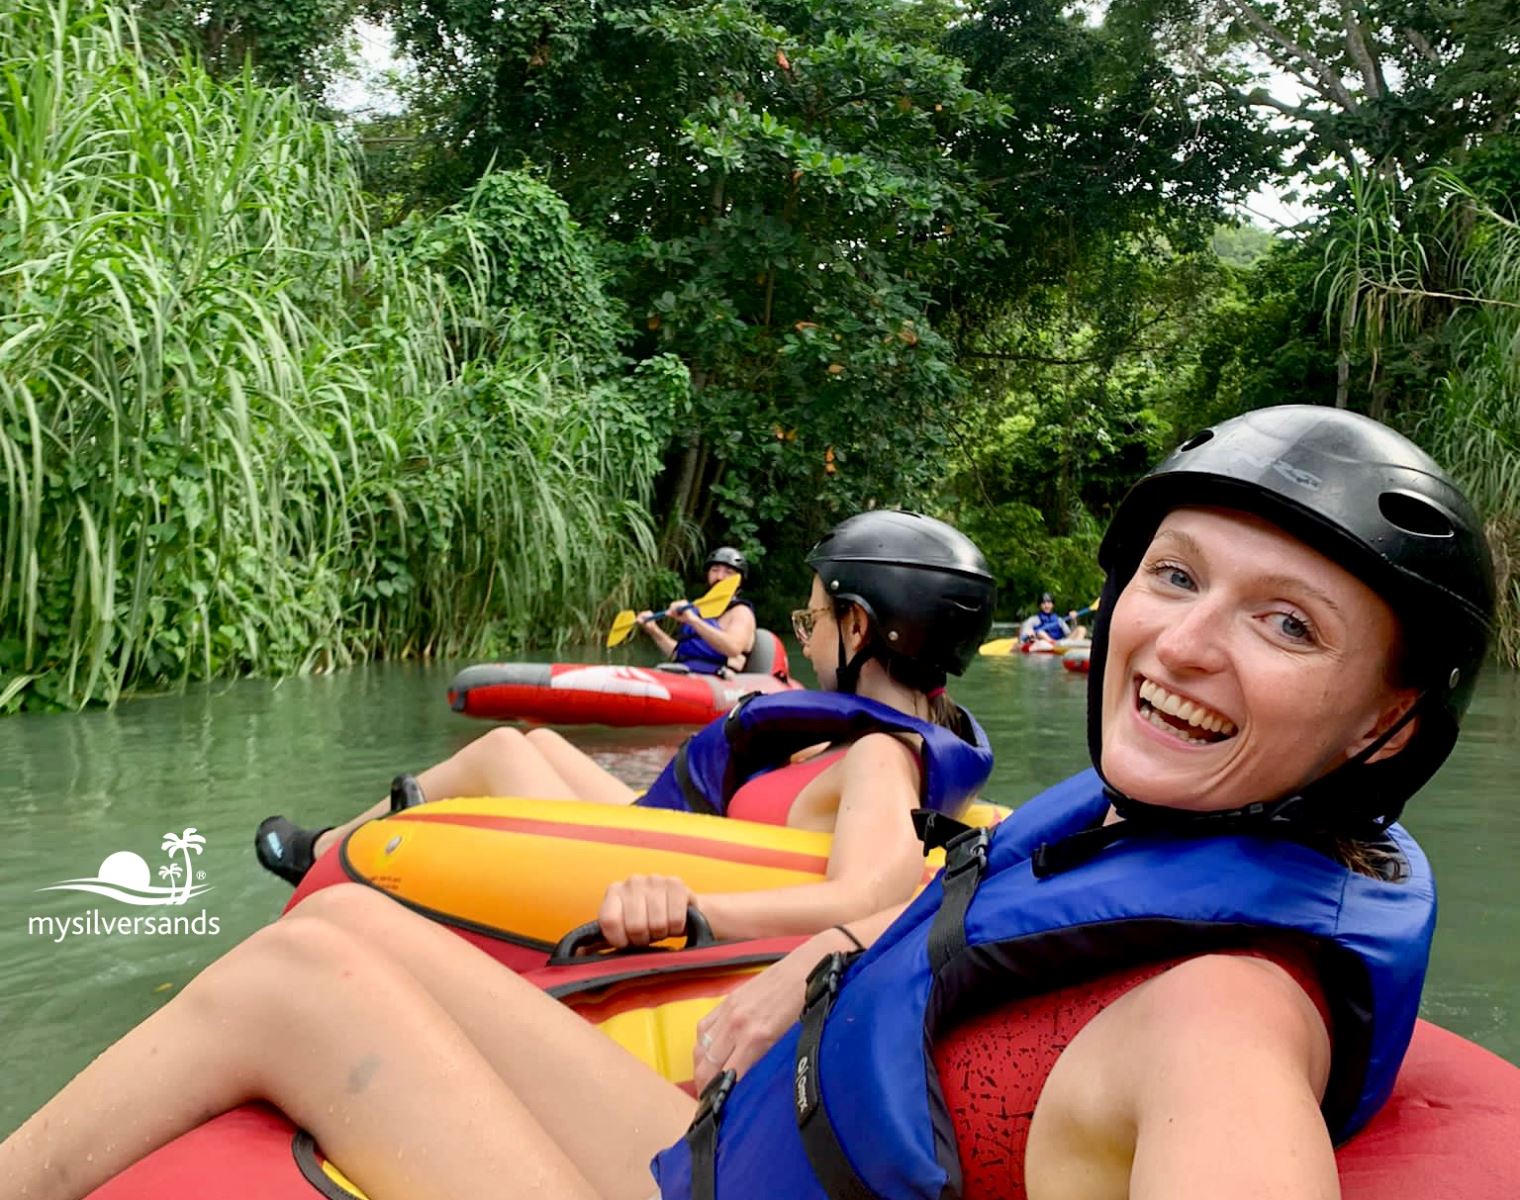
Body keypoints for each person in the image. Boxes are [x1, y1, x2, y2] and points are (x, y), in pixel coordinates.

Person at [5, 407, 1495, 1200]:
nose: (1181, 641)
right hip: (737, 1149)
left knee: (287, 985)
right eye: (1173, 579)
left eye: (1287, 624)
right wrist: (821, 958)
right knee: (325, 954)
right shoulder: (1135, 833)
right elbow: (939, 922)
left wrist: (719, 907)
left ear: (1391, 720)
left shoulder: (1231, 1017)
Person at [254, 512, 997, 951]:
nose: (802, 640)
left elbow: (866, 899)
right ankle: (328, 847)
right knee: (539, 741)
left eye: (813, 620)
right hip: (671, 828)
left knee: (505, 751)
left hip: (669, 869)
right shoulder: (866, 736)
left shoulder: (879, 758)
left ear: (861, 626)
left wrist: (696, 913)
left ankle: (325, 856)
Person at [637, 546, 758, 675]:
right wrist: (654, 631)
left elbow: (733, 649)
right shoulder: (698, 610)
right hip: (687, 672)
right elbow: (679, 655)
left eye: (728, 572)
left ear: (739, 581)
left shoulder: (741, 612)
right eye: (714, 570)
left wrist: (694, 621)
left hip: (723, 679)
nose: (720, 577)